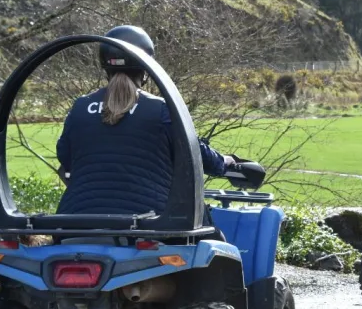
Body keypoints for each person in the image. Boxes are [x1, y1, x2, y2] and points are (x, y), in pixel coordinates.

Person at [55, 25, 233, 215]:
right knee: (217, 238)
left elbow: (65, 156)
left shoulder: (81, 107)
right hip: (146, 224)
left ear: (104, 65)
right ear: (146, 68)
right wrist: (224, 162)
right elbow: (196, 155)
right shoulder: (162, 109)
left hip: (75, 221)